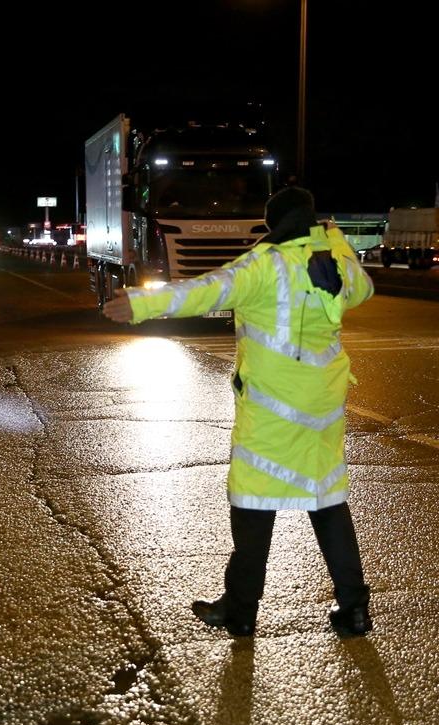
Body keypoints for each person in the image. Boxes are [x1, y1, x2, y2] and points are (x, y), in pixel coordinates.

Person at [102, 185, 375, 639]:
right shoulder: (340, 262)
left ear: (274, 225)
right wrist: (336, 240)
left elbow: (207, 290)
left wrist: (142, 303)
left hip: (272, 406)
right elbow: (364, 291)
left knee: (253, 504)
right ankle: (355, 609)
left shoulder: (265, 265)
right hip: (323, 405)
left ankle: (241, 611)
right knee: (327, 502)